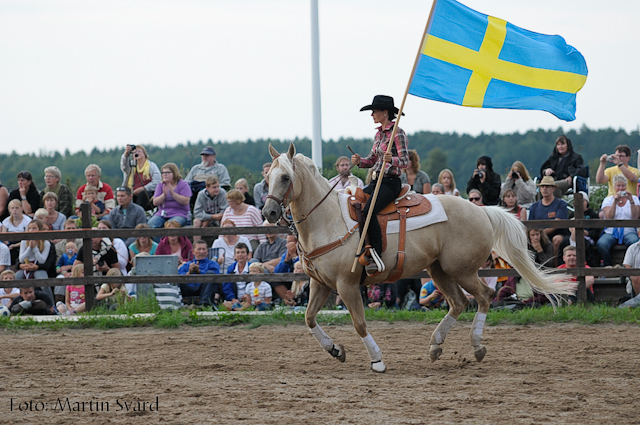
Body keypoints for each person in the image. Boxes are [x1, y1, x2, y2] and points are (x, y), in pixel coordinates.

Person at [351, 95, 409, 274]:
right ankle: (361, 245)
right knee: (355, 204)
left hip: (390, 182)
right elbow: (372, 160)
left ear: (385, 113)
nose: (372, 115)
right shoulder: (378, 134)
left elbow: (405, 161)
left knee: (369, 210)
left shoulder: (397, 132)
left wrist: (392, 160)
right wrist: (360, 161)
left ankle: (376, 253)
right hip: (376, 181)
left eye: (374, 111)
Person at [597, 174, 640, 266]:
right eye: (618, 186)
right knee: (601, 243)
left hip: (629, 231)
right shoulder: (608, 200)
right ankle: (608, 266)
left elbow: (635, 216)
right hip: (611, 231)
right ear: (614, 187)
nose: (621, 188)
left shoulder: (634, 199)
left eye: (623, 186)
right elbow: (609, 217)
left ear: (626, 186)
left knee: (635, 242)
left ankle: (630, 267)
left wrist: (631, 200)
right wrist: (615, 202)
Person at [528, 176, 569, 258]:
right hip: (537, 235)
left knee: (557, 240)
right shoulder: (534, 206)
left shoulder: (561, 204)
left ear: (553, 189)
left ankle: (554, 266)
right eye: (542, 186)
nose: (544, 189)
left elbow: (557, 224)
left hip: (558, 234)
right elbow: (530, 225)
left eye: (547, 186)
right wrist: (536, 236)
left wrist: (542, 234)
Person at [16, 220, 56, 302]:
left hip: (39, 267)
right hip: (26, 267)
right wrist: (29, 248)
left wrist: (35, 249)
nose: (31, 230)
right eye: (29, 228)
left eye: (34, 228)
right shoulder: (24, 242)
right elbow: (21, 259)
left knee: (43, 283)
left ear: (40, 229)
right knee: (15, 278)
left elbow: (42, 260)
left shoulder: (46, 243)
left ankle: (51, 304)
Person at [149, 163, 192, 228]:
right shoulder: (160, 185)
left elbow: (186, 201)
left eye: (167, 172)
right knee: (151, 224)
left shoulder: (183, 184)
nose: (164, 175)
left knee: (171, 226)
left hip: (179, 214)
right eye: (163, 173)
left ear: (174, 173)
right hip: (162, 214)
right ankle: (161, 238)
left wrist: (173, 194)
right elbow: (155, 202)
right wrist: (164, 195)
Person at [178, 239, 220, 307]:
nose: (201, 252)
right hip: (187, 289)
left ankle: (204, 304)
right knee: (176, 277)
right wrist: (189, 273)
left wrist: (199, 272)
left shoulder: (213, 264)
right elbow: (178, 278)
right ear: (193, 251)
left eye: (204, 249)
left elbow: (217, 278)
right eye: (199, 249)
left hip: (204, 290)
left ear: (207, 251)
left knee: (211, 274)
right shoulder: (186, 265)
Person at [120, 144, 161, 210]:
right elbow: (124, 167)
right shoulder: (131, 165)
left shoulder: (152, 166)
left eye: (139, 151)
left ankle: (138, 213)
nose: (136, 153)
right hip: (131, 193)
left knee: (142, 194)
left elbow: (157, 181)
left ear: (144, 154)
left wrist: (143, 188)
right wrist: (126, 154)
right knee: (121, 194)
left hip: (147, 194)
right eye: (134, 152)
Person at [1, 199, 32, 264]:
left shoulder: (27, 221)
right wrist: (9, 245)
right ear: (9, 210)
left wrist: (15, 245)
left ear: (22, 209)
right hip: (10, 244)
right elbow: (4, 237)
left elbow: (27, 238)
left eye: (17, 208)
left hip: (23, 243)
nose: (14, 210)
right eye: (12, 208)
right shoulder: (6, 221)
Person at [222, 243, 251, 310]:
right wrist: (233, 299)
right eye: (238, 252)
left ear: (247, 255)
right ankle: (239, 309)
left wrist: (248, 296)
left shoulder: (252, 268)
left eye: (243, 252)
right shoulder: (230, 269)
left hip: (248, 299)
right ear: (235, 255)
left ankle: (237, 309)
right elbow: (227, 287)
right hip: (235, 300)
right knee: (225, 304)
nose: (240, 255)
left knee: (247, 304)